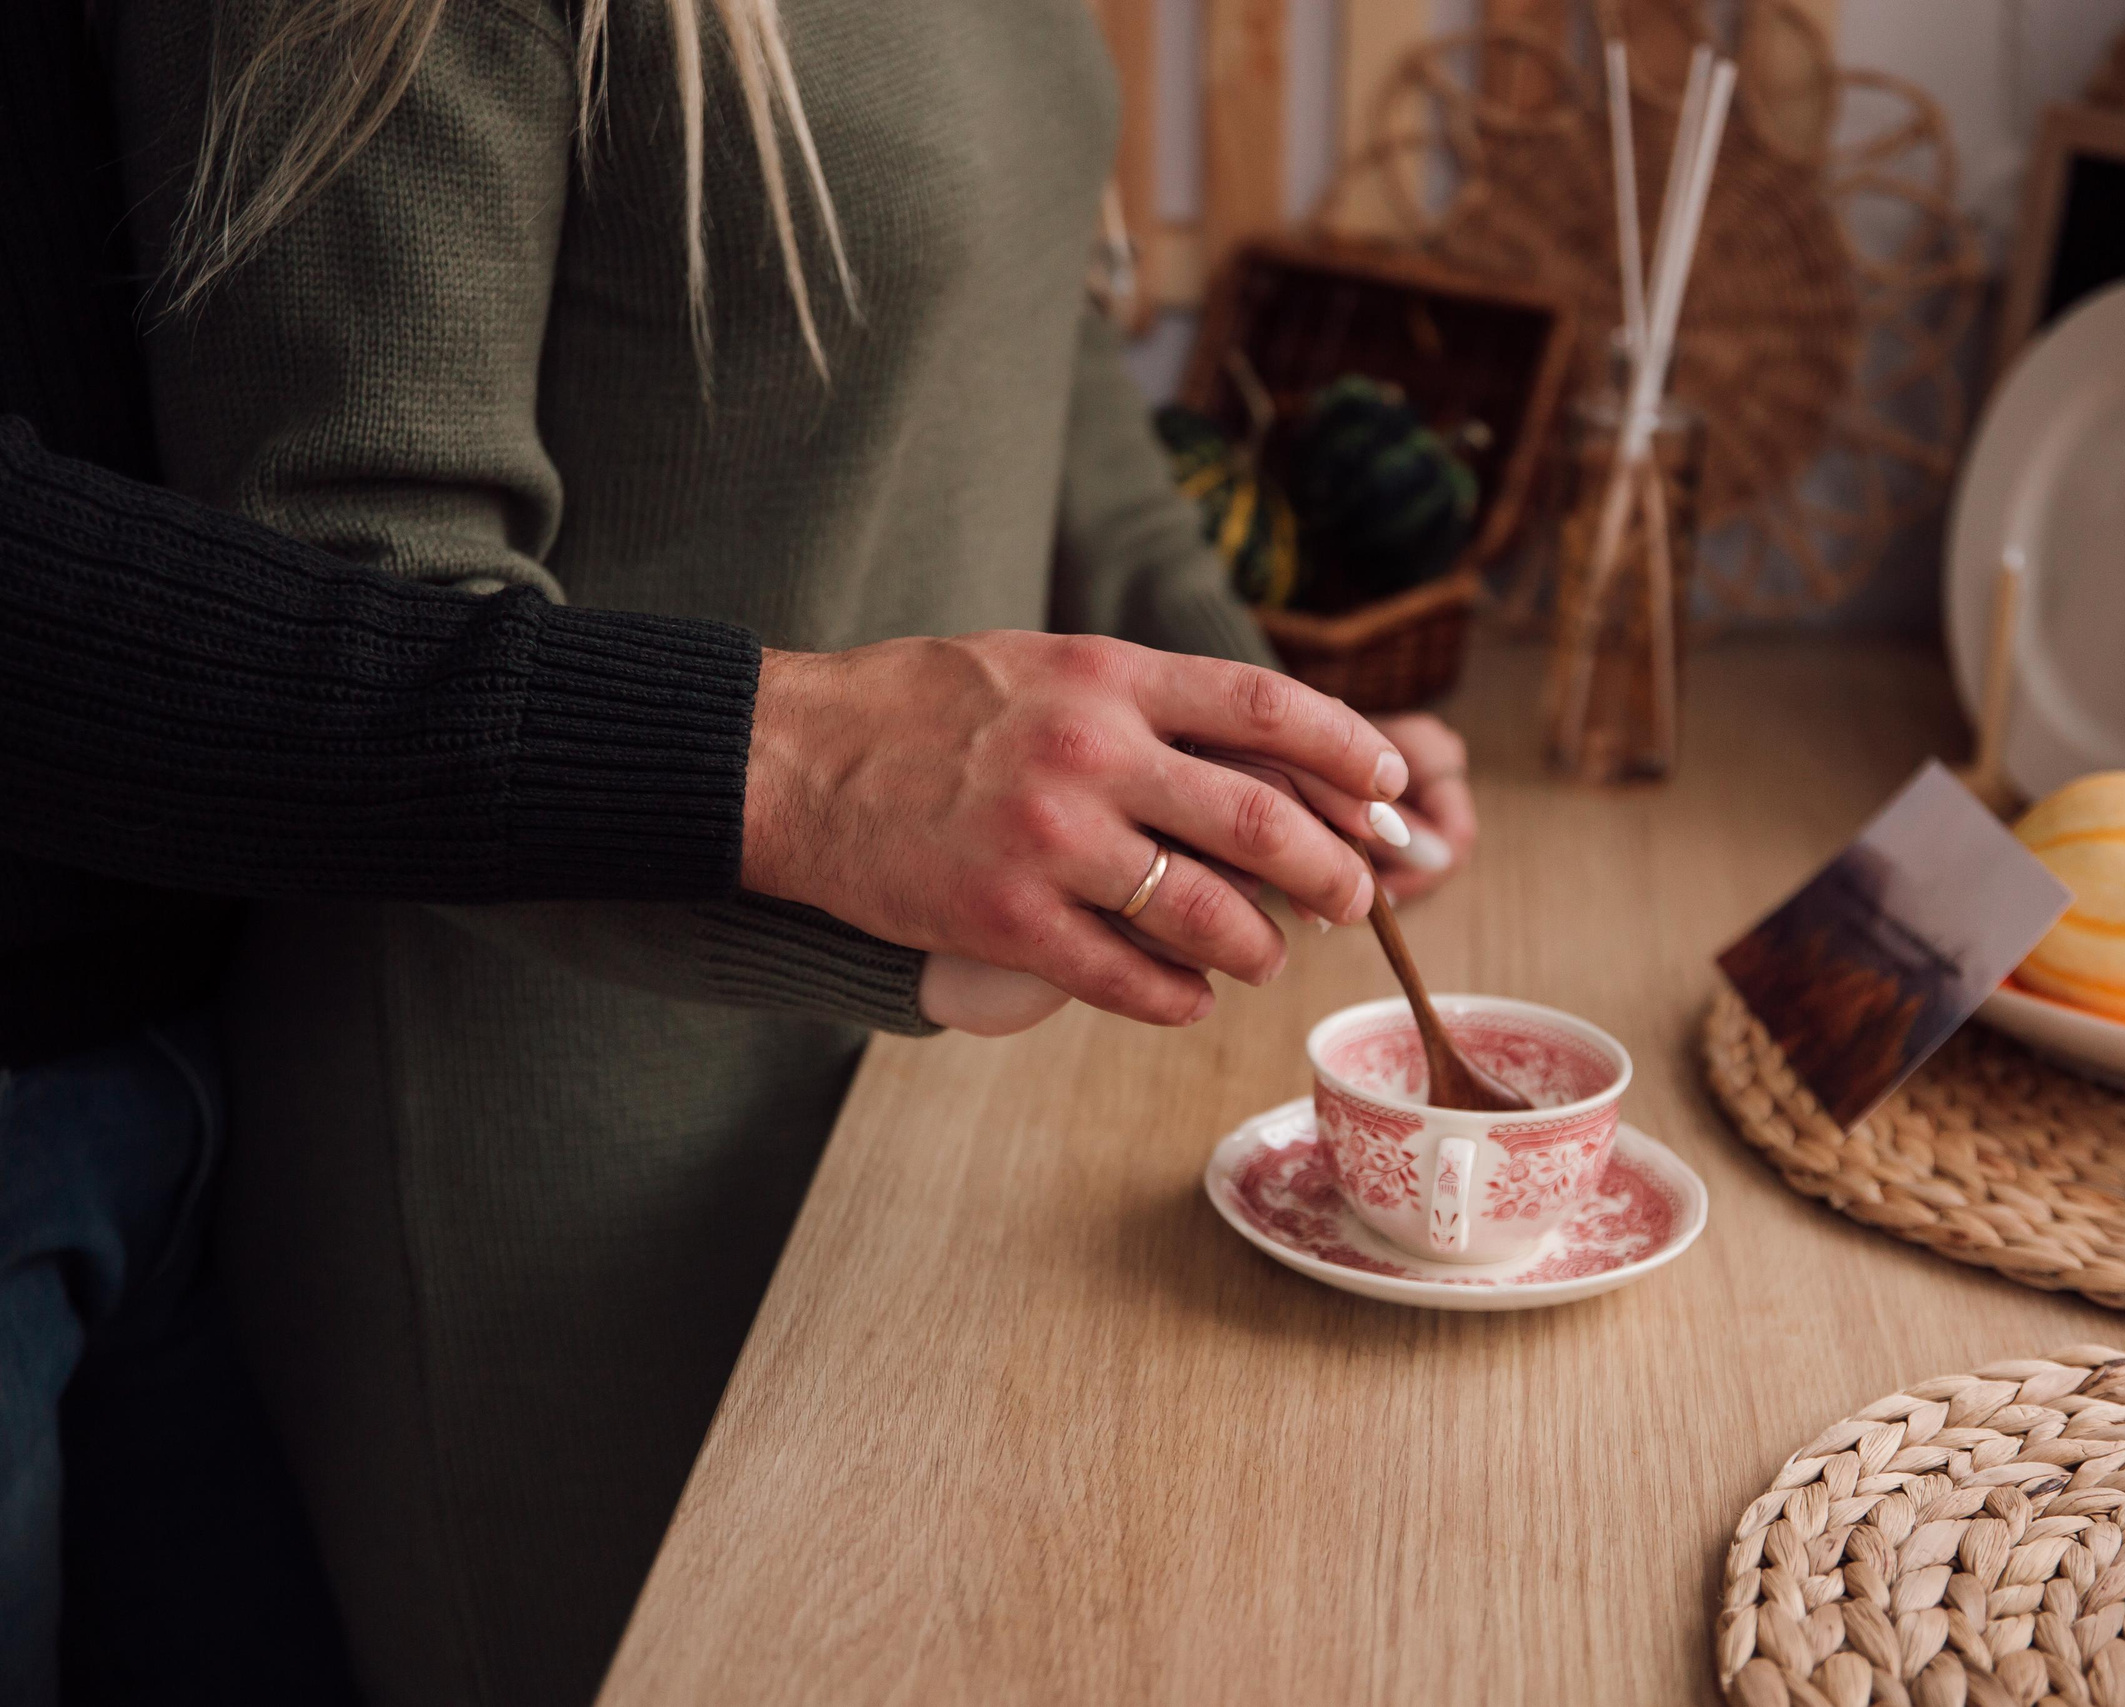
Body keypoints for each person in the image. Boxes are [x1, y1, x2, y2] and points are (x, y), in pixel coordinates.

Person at [102, 1, 1481, 1702]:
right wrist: (885, 920)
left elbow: (1036, 340)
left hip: (921, 1089)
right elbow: (338, 617)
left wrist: (1248, 733)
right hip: (559, 1156)